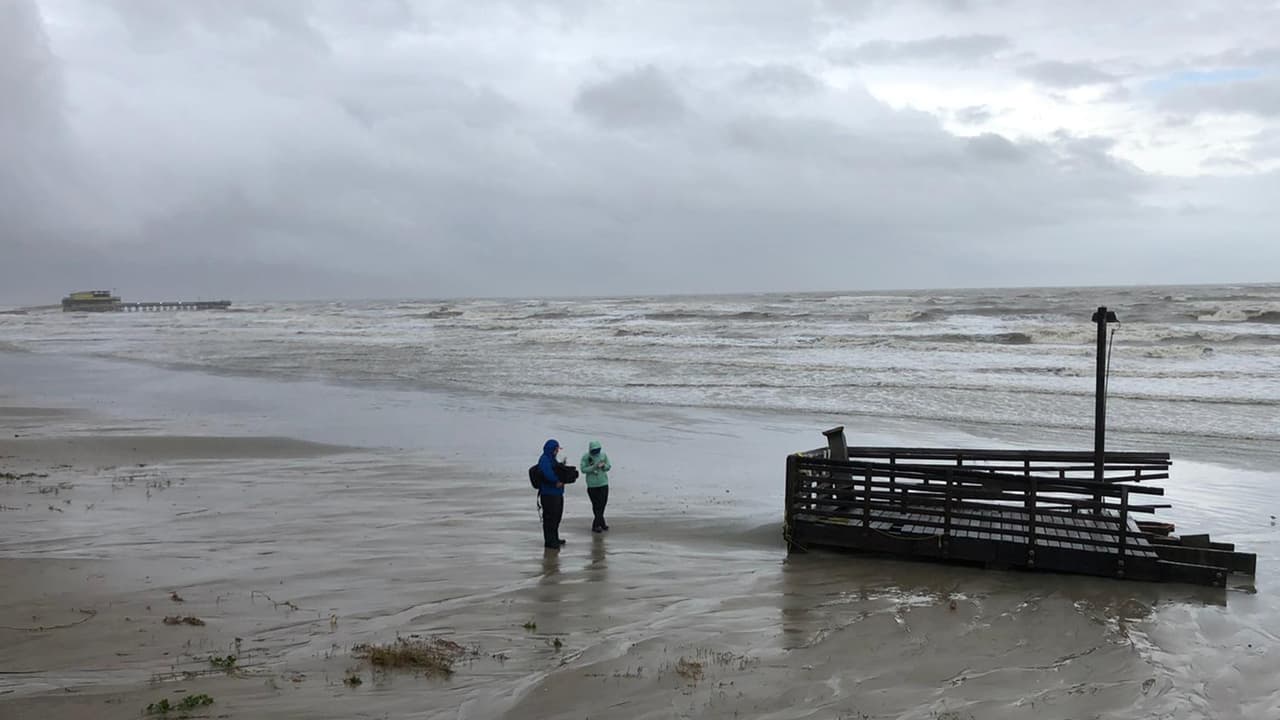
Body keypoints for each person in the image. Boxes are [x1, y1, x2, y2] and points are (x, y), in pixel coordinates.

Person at [537, 439, 567, 549]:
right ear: (552, 449)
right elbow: (547, 474)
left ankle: (554, 538)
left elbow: (556, 470)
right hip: (548, 494)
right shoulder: (544, 459)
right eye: (556, 449)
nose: (557, 451)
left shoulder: (552, 459)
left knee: (556, 517)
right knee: (550, 519)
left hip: (557, 493)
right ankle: (549, 541)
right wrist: (556, 481)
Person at [579, 440, 611, 533]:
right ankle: (598, 524)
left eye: (597, 450)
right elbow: (583, 469)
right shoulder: (586, 457)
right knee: (596, 505)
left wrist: (603, 466)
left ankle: (599, 523)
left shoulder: (603, 455)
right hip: (592, 485)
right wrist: (594, 467)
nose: (596, 452)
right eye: (594, 450)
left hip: (603, 483)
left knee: (602, 504)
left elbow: (608, 466)